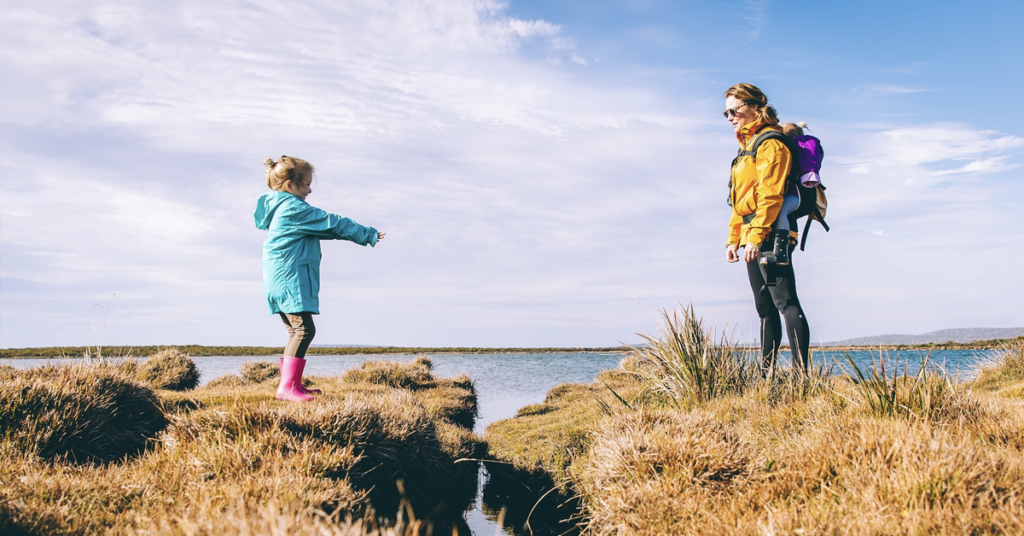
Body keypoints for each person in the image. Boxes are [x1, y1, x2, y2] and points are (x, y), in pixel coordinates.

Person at [254, 156, 385, 402]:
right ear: (289, 186)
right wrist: (367, 233)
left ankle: (293, 385)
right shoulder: (294, 208)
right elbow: (331, 223)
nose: (309, 190)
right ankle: (287, 388)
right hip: (289, 278)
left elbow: (326, 230)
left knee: (295, 331)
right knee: (304, 329)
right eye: (305, 184)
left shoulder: (280, 208)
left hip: (279, 279)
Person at [723, 84, 810, 373]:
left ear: (755, 106)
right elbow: (739, 201)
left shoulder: (771, 143)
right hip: (751, 235)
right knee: (764, 309)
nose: (730, 116)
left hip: (772, 232)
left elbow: (770, 196)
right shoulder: (746, 147)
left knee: (786, 303)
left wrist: (757, 237)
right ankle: (765, 375)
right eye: (726, 112)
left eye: (735, 109)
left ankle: (801, 377)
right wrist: (733, 239)